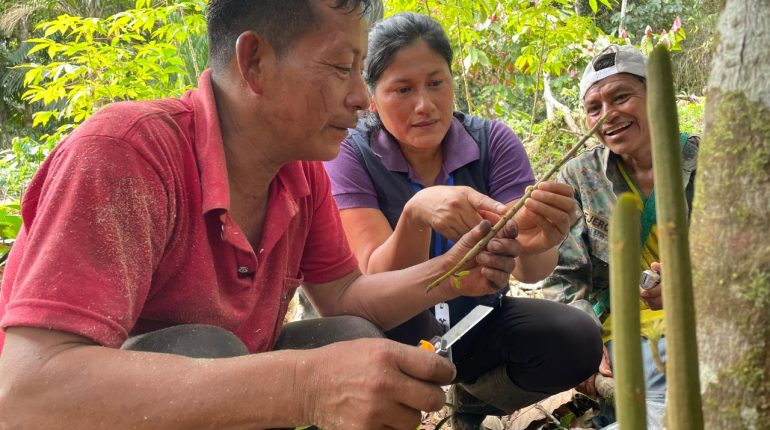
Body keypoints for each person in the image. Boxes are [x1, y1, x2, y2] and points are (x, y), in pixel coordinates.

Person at [0, 2, 528, 429]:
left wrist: (451, 273)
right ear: (254, 61)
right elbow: (25, 391)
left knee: (350, 338)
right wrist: (306, 386)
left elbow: (343, 296)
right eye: (342, 68)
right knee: (205, 348)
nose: (361, 99)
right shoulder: (126, 153)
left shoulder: (301, 172)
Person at [323, 12, 603, 430]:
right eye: (402, 89)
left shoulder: (492, 142)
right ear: (372, 97)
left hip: (476, 321)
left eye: (436, 82)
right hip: (390, 333)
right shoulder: (352, 154)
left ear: (452, 80)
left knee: (576, 337)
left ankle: (472, 401)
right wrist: (417, 213)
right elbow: (374, 280)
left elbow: (531, 268)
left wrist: (542, 238)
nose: (424, 104)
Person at [540, 44, 700, 427]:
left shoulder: (714, 162)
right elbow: (561, 276)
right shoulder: (579, 176)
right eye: (594, 108)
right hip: (624, 340)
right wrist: (583, 344)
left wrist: (694, 286)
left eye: (621, 97)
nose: (607, 115)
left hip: (706, 327)